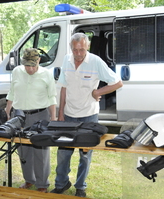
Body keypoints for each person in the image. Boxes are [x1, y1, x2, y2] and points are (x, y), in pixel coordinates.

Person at [50, 33, 123, 197]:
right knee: (63, 153)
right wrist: (60, 113)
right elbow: (63, 87)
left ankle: (80, 186)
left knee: (85, 154)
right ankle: (61, 183)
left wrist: (98, 91)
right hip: (68, 115)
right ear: (71, 48)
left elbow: (117, 82)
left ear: (87, 47)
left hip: (88, 116)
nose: (78, 54)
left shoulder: (95, 61)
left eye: (81, 49)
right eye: (75, 50)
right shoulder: (66, 60)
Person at [5, 48, 57, 193]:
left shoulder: (47, 74)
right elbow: (12, 92)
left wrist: (53, 118)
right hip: (19, 116)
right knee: (23, 150)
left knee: (40, 151)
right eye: (27, 65)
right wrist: (8, 111)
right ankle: (29, 179)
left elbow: (52, 97)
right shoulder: (16, 71)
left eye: (33, 65)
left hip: (40, 116)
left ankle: (42, 184)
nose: (30, 69)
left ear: (39, 60)